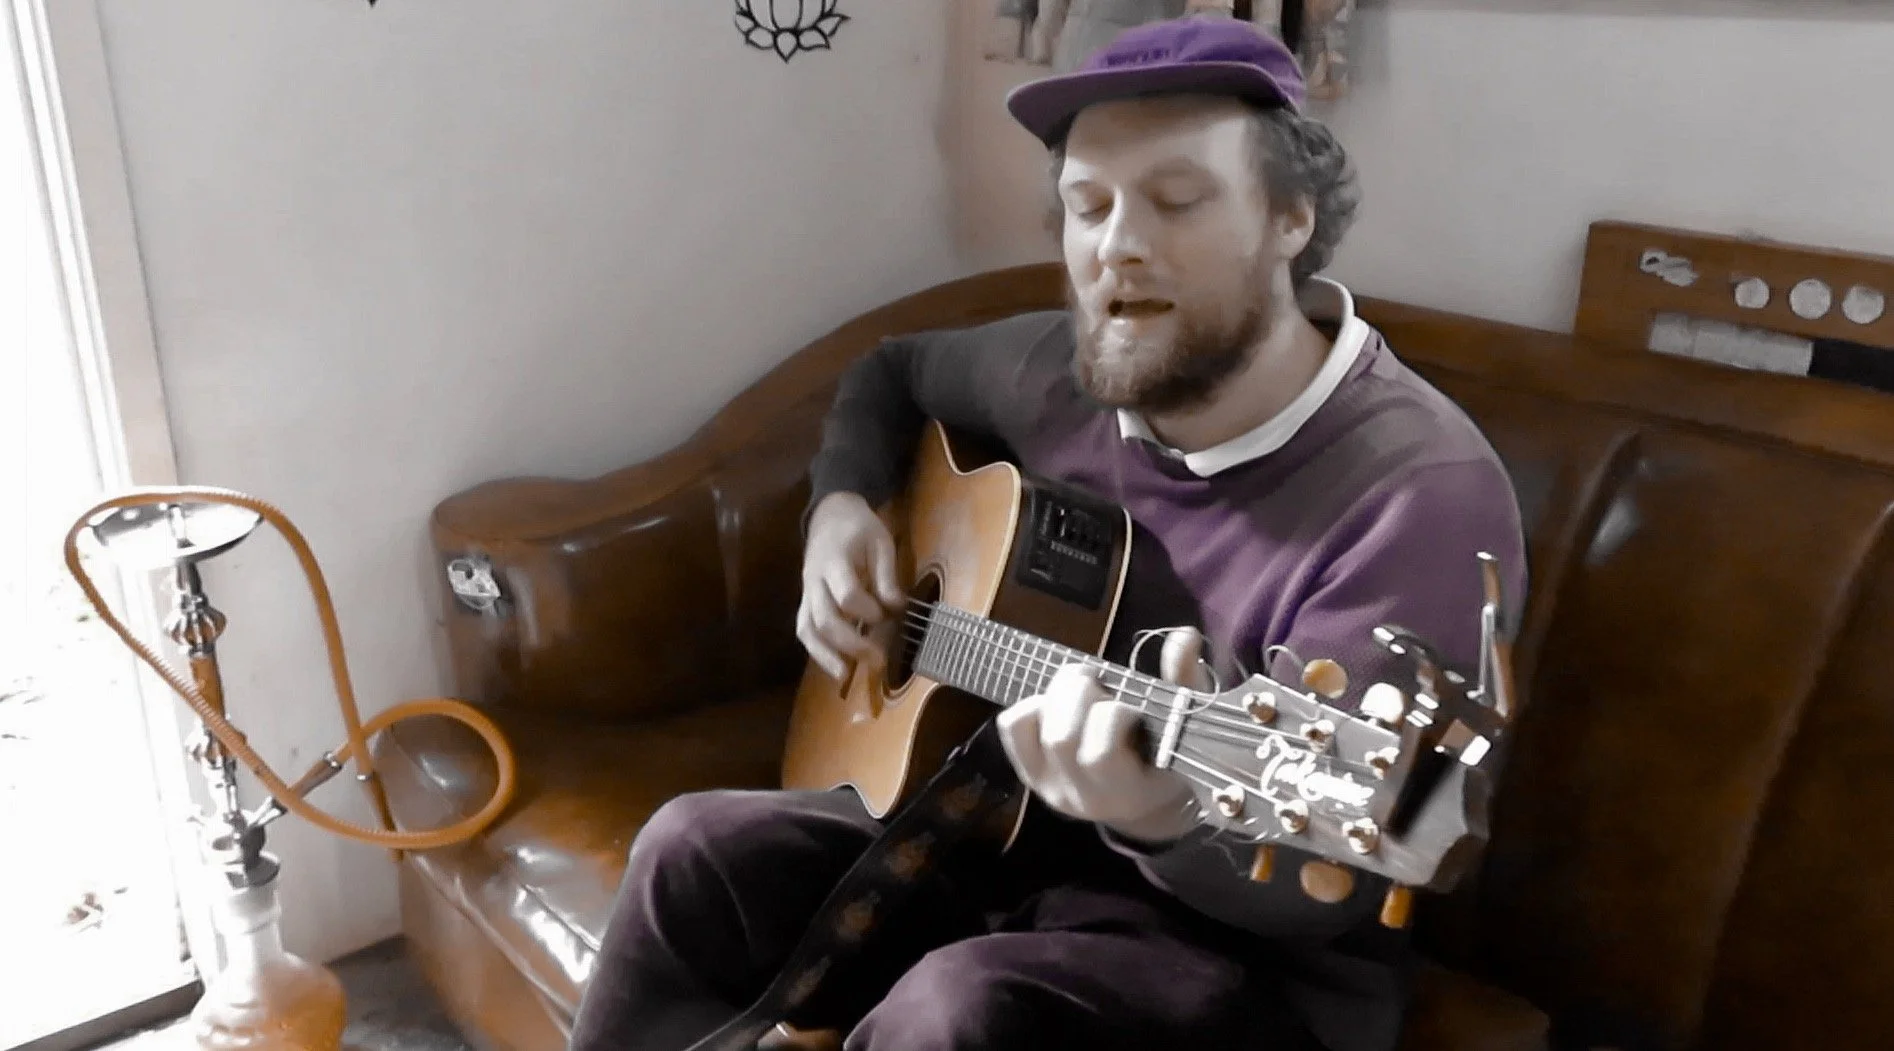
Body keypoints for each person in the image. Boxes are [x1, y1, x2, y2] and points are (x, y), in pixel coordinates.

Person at [567, 15, 1527, 1051]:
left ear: (1290, 219)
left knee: (961, 1007)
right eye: (1087, 205)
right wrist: (837, 508)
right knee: (692, 848)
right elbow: (887, 374)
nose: (1117, 243)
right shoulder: (1062, 372)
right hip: (1007, 831)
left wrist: (1162, 812)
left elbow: (1336, 877)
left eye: (1176, 199)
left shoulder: (1420, 495)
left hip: (1246, 957)